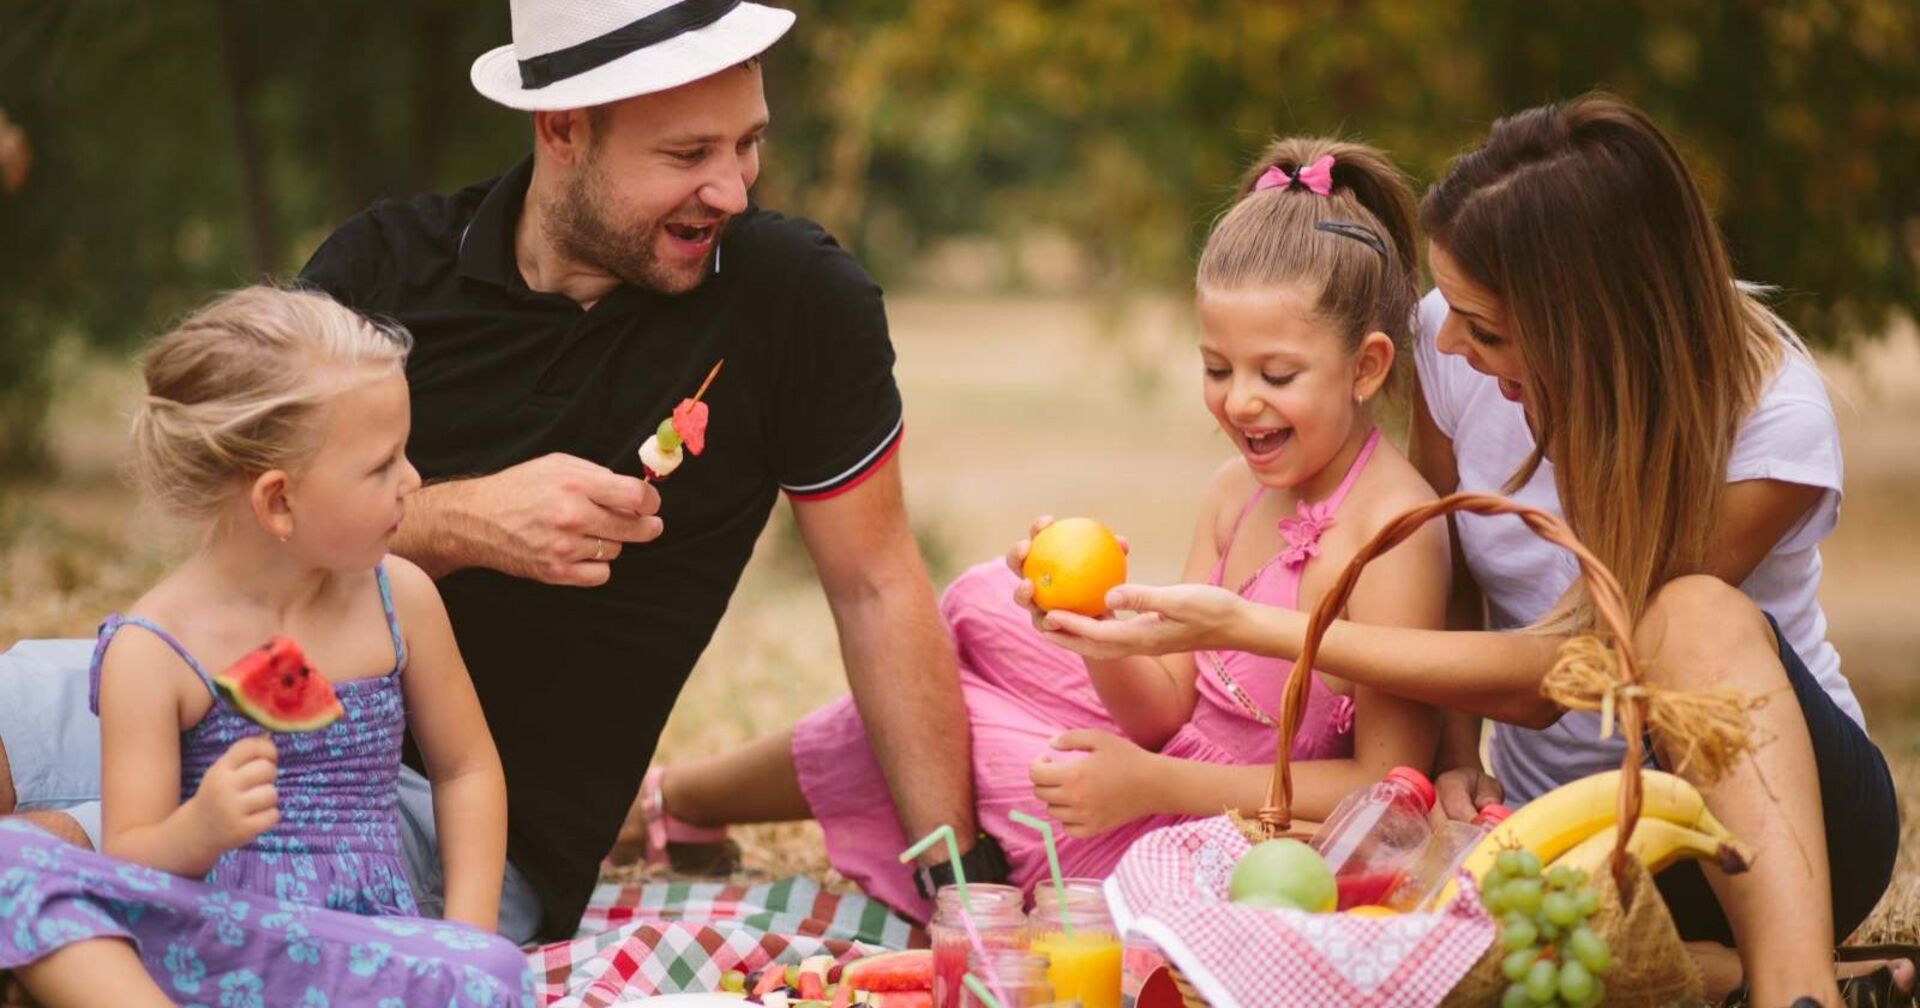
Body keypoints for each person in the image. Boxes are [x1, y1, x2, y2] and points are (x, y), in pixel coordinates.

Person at [0, 0, 980, 944]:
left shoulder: (793, 303)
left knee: (41, 869)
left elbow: (874, 585)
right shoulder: (384, 267)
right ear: (561, 129)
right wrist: (459, 522)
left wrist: (962, 883)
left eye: (747, 143)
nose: (733, 188)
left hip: (437, 828)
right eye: (688, 155)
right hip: (222, 689)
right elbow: (239, 536)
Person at [1037, 94, 1901, 1008]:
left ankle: (1797, 991)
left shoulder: (1771, 420)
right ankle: (1764, 984)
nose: (1444, 342)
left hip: (1769, 824)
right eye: (1447, 311)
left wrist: (1263, 626)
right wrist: (1453, 756)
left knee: (1686, 610)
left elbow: (1571, 672)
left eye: (1482, 326)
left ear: (1587, 324)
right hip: (1553, 832)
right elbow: (1446, 562)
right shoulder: (1452, 350)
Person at [621, 138, 1449, 919]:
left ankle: (675, 799)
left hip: (1230, 836)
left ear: (1368, 366)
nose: (1239, 402)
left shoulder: (1394, 534)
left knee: (942, 718)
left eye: (1277, 374)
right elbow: (1167, 711)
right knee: (981, 602)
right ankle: (679, 801)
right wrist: (1096, 633)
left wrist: (1149, 785)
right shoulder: (1237, 491)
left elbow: (1384, 791)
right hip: (1168, 764)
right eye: (1215, 368)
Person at [0, 287, 530, 1007]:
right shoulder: (152, 649)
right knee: (12, 858)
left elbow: (466, 769)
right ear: (278, 501)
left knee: (498, 972)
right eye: (383, 466)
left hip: (365, 951)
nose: (413, 481)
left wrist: (466, 942)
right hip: (206, 945)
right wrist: (200, 828)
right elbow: (132, 862)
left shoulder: (399, 600)